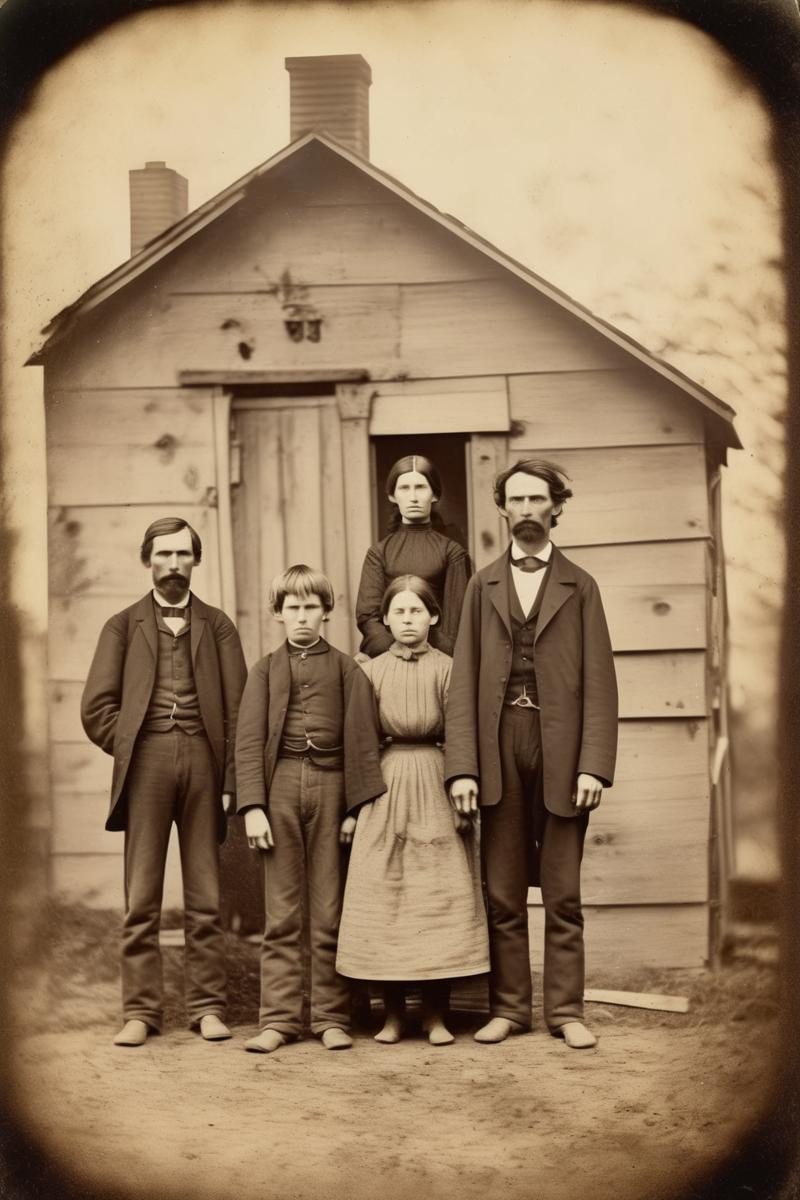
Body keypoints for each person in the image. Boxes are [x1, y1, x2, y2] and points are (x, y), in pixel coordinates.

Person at [445, 460, 618, 1049]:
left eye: (536, 499)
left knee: (563, 892)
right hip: (498, 748)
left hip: (562, 749)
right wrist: (462, 767)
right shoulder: (481, 585)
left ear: (555, 507)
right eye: (514, 499)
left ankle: (566, 1011)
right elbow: (462, 681)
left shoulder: (581, 585)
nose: (525, 509)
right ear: (503, 509)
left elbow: (600, 681)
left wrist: (594, 763)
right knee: (502, 891)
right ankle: (511, 1009)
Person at [81, 516, 247, 1047]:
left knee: (205, 895)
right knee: (142, 897)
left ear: (195, 561)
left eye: (183, 555)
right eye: (164, 555)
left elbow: (240, 709)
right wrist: (130, 742)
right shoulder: (122, 625)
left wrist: (229, 779)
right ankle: (140, 1011)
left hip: (204, 760)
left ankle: (207, 1008)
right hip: (146, 763)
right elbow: (95, 707)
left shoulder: (218, 625)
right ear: (147, 560)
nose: (174, 565)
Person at [234, 564, 386, 1053]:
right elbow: (249, 741)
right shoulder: (264, 670)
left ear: (327, 611)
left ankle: (330, 1018)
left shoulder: (347, 669)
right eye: (292, 608)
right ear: (278, 614)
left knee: (328, 911)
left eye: (311, 607)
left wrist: (353, 809)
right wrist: (253, 806)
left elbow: (364, 742)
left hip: (333, 787)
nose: (302, 616)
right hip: (278, 789)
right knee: (281, 914)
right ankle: (278, 1020)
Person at [337, 575, 489, 1045]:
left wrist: (463, 790)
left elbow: (464, 729)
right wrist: (354, 807)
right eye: (399, 612)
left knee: (436, 893)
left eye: (417, 611)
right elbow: (359, 742)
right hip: (385, 785)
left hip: (436, 780)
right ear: (384, 619)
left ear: (434, 617)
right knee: (387, 896)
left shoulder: (449, 668)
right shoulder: (369, 672)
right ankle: (393, 1014)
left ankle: (435, 1014)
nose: (408, 620)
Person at [355, 454, 472, 657]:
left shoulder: (453, 552)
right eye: (404, 488)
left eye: (420, 487)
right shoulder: (379, 553)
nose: (413, 497)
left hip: (440, 658)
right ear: (392, 496)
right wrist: (396, 652)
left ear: (434, 495)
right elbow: (369, 618)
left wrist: (427, 656)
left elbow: (458, 622)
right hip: (388, 656)